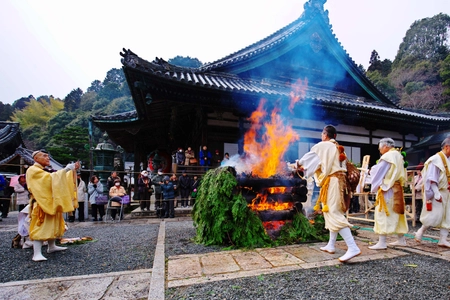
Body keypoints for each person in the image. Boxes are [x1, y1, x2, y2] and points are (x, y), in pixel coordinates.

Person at [297, 125, 361, 262]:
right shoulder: (339, 148)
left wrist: (297, 164)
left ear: (325, 135)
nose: (322, 136)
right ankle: (331, 245)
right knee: (331, 211)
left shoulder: (323, 146)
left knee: (333, 213)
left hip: (333, 182)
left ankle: (353, 247)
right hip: (340, 183)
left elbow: (308, 160)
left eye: (322, 134)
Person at [26, 149, 80, 261]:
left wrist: (70, 171)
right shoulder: (33, 170)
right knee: (41, 226)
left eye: (47, 156)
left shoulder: (42, 170)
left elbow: (54, 179)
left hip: (49, 202)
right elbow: (50, 179)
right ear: (36, 158)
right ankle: (36, 253)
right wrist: (65, 169)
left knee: (53, 225)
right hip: (42, 203)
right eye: (44, 156)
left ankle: (52, 246)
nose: (47, 158)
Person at [368, 138, 408, 249]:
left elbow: (380, 171)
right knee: (398, 212)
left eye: (380, 147)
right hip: (397, 187)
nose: (379, 150)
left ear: (385, 146)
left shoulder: (388, 156)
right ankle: (401, 239)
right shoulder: (399, 155)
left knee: (383, 213)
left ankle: (382, 242)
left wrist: (371, 171)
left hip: (388, 188)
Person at [415, 137, 450, 247]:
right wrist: (436, 192)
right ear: (447, 147)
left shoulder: (448, 160)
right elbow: (431, 178)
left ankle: (443, 239)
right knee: (433, 215)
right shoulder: (435, 159)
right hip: (438, 192)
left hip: (447, 191)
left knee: (447, 216)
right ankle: (420, 232)